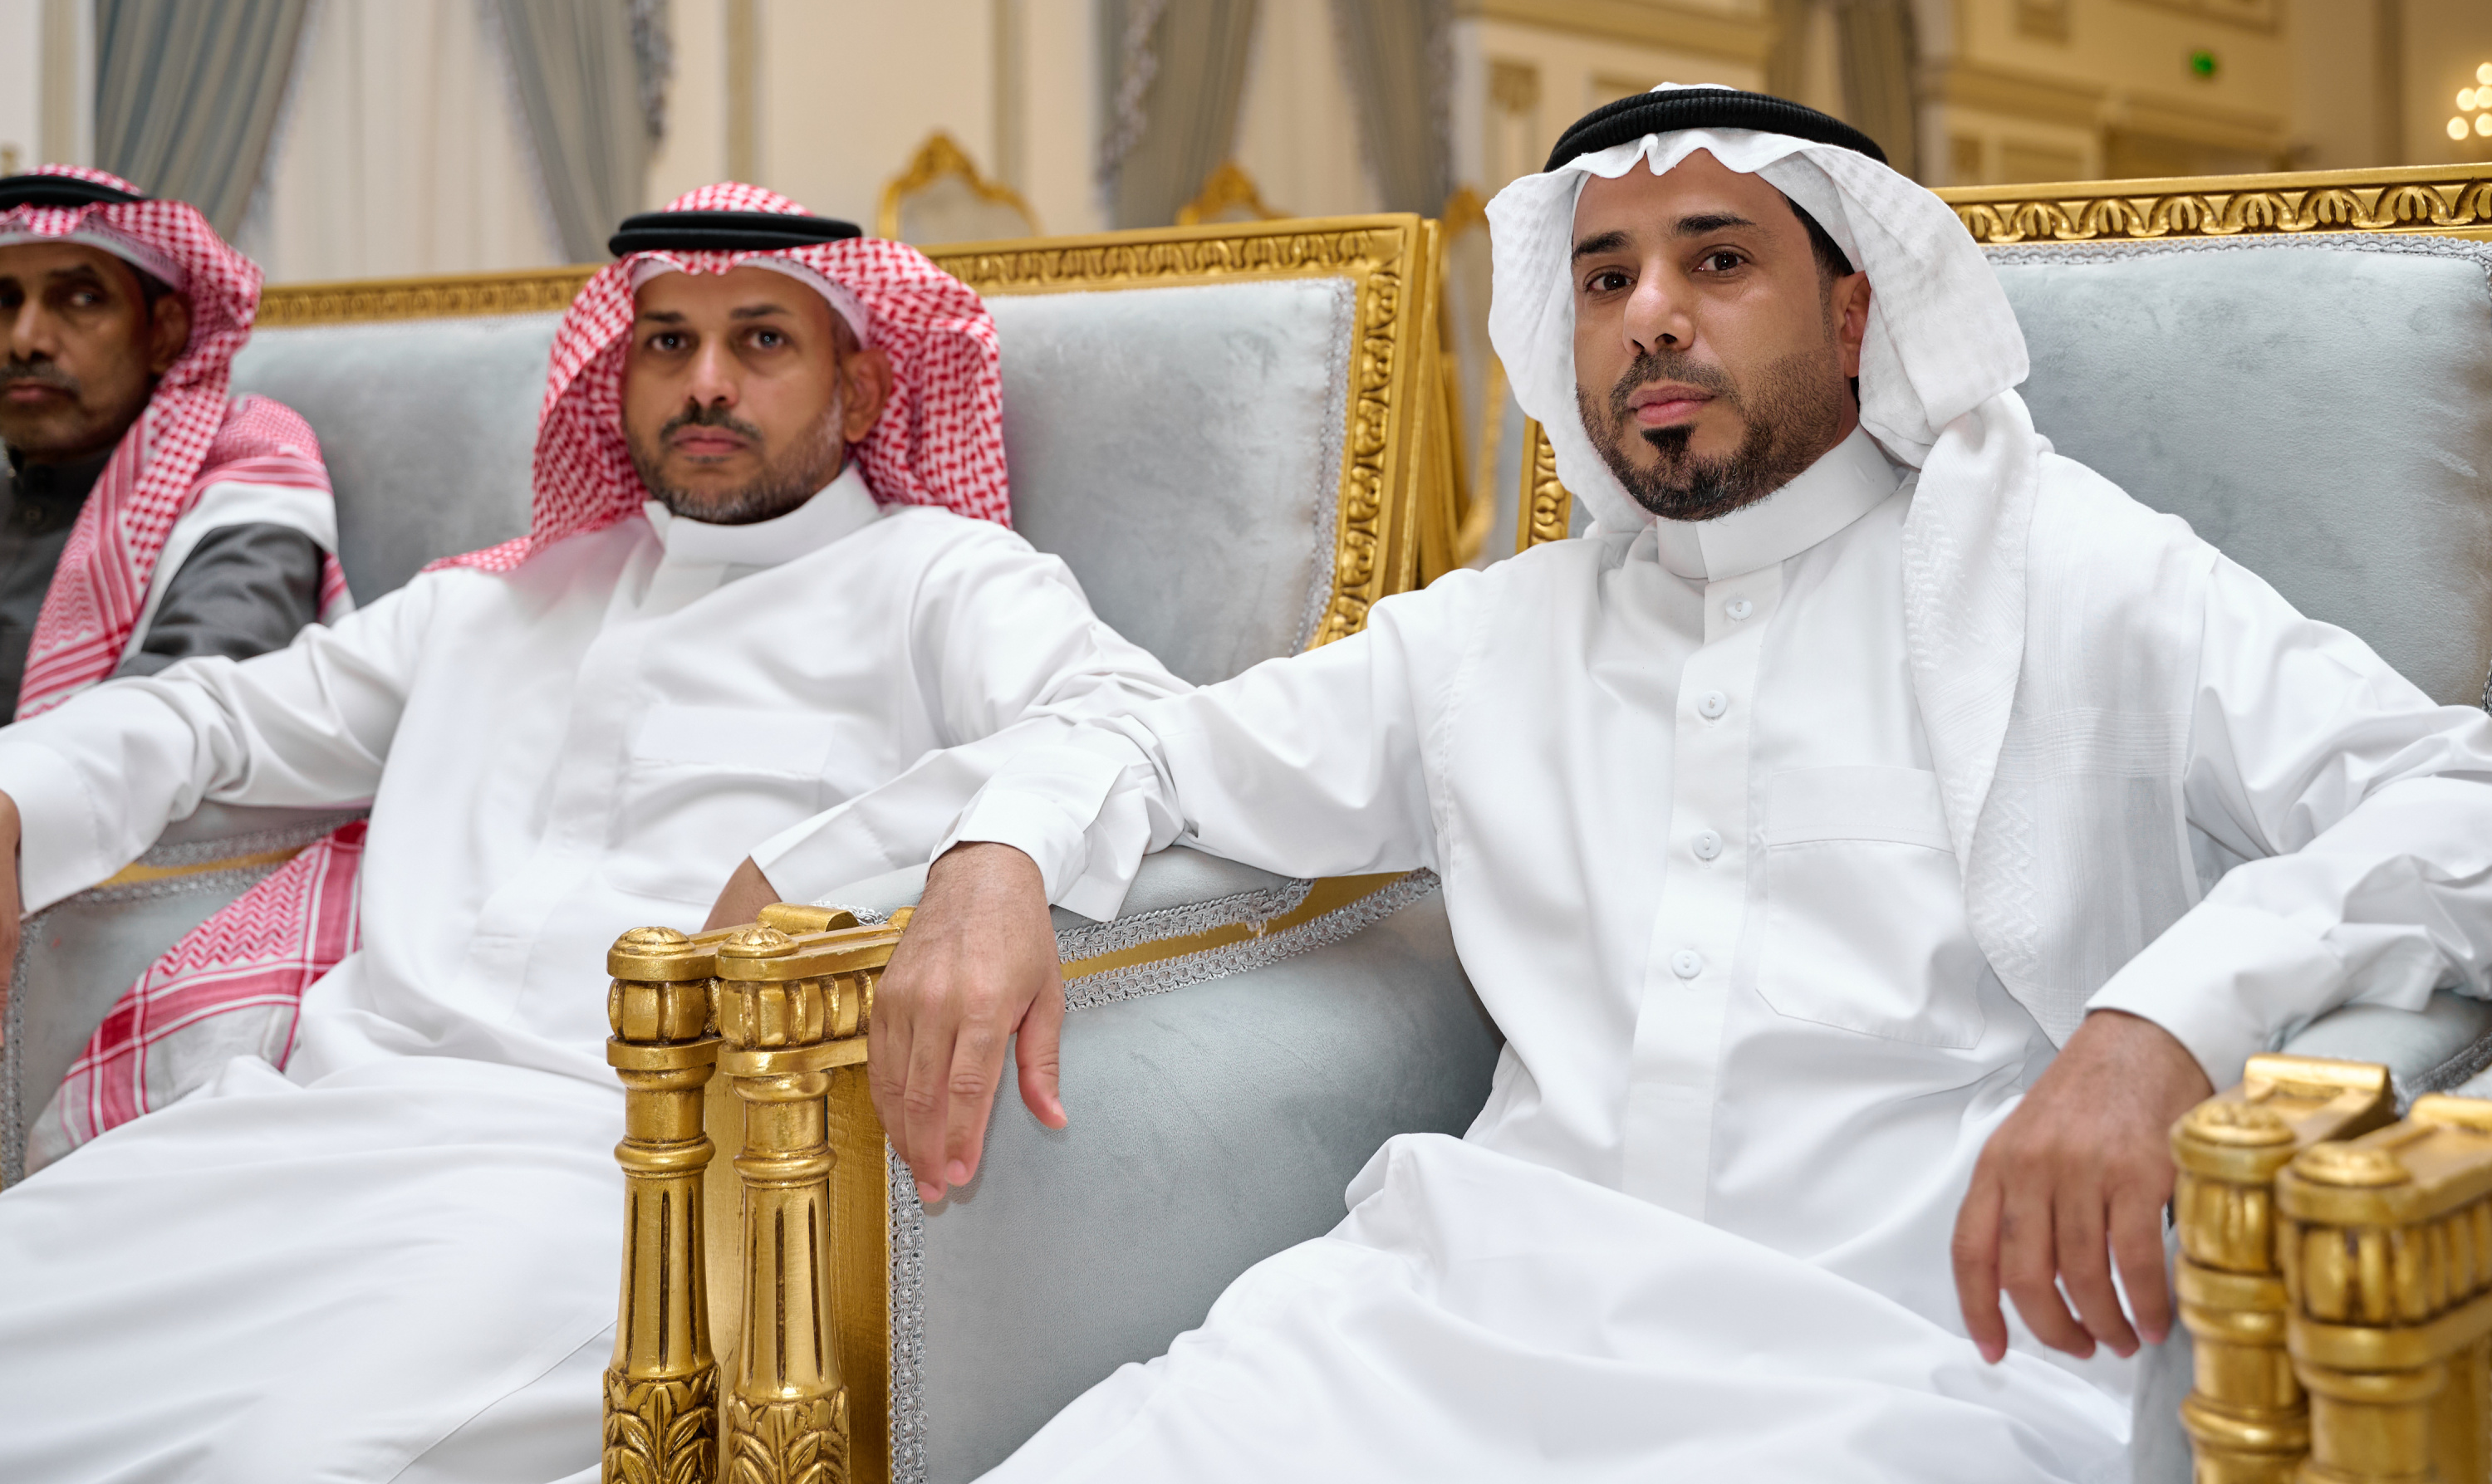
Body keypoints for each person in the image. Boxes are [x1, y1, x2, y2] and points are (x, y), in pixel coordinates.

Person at [876, 88, 2492, 1481]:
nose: (1651, 312)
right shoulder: (1486, 639)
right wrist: (994, 858)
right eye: (1606, 277)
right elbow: (1151, 740)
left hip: (1911, 1365)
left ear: (1854, 317)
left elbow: (2455, 792)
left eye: (1718, 260)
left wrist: (2162, 1028)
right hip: (1441, 1325)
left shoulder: (2069, 574)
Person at [0, 183, 1187, 1483]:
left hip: (609, 1175)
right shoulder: (496, 602)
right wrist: (15, 796)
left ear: (859, 391)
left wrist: (834, 863)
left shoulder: (942, 580)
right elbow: (214, 718)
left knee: (284, 1460)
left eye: (762, 340)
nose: (706, 382)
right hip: (307, 1123)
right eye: (668, 341)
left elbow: (1132, 722)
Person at [0, 168, 346, 727]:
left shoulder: (244, 481)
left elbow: (181, 720)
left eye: (81, 298)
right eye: (3, 300)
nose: (25, 340)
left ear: (164, 333)